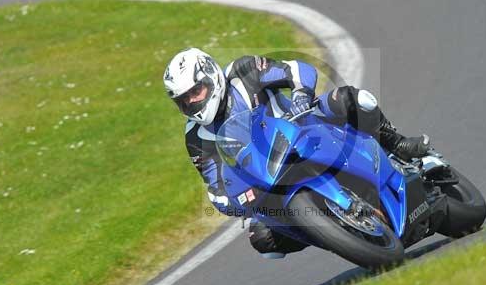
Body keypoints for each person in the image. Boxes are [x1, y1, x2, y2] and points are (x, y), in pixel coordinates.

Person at [164, 48, 430, 258]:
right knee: (262, 237)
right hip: (270, 180)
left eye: (195, 92)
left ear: (211, 75)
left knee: (347, 98)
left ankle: (396, 143)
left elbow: (297, 71)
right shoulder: (195, 137)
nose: (192, 102)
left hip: (306, 129)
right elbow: (215, 186)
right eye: (183, 100)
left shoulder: (242, 72)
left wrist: (302, 94)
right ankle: (338, 236)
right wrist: (235, 202)